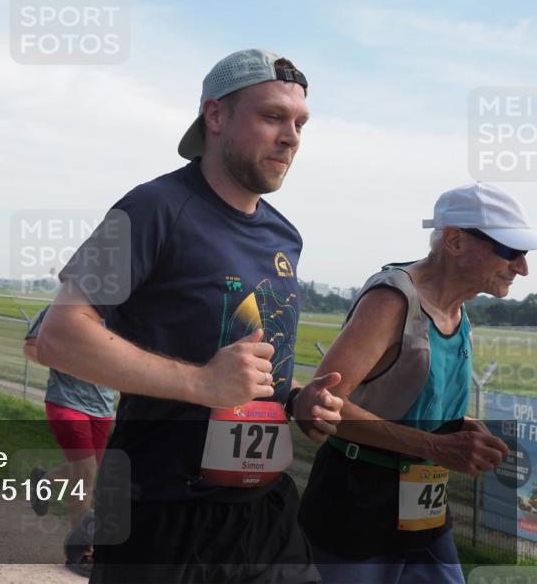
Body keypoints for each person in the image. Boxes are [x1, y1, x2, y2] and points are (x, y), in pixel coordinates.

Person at [36, 49, 344, 583]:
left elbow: (245, 358)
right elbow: (60, 335)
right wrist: (202, 383)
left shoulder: (284, 235)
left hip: (264, 510)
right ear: (216, 116)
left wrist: (295, 398)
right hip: (161, 513)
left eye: (299, 123)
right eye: (272, 116)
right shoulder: (152, 208)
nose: (291, 136)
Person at [297, 183, 529, 584]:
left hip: (424, 500)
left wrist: (456, 425)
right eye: (509, 250)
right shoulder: (392, 301)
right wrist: (438, 446)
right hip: (357, 501)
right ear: (454, 240)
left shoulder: (457, 311)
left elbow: (404, 397)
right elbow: (324, 403)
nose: (522, 267)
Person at [24, 305, 116, 577]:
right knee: (85, 473)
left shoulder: (124, 314)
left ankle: (45, 481)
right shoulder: (62, 308)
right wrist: (69, 359)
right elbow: (31, 346)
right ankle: (81, 551)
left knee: (85, 469)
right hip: (65, 401)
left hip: (103, 407)